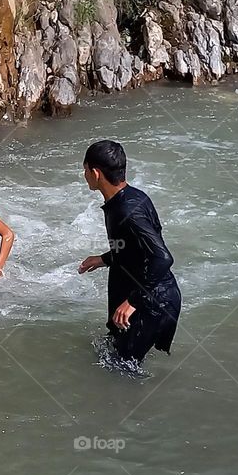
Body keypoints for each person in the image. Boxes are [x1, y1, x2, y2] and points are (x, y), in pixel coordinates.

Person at [77, 140, 181, 362]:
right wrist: (104, 259)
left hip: (153, 301)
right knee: (110, 355)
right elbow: (136, 249)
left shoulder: (128, 211)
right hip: (145, 294)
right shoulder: (130, 197)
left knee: (122, 371)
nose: (84, 175)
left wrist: (133, 301)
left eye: (84, 170)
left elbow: (162, 257)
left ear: (95, 173)